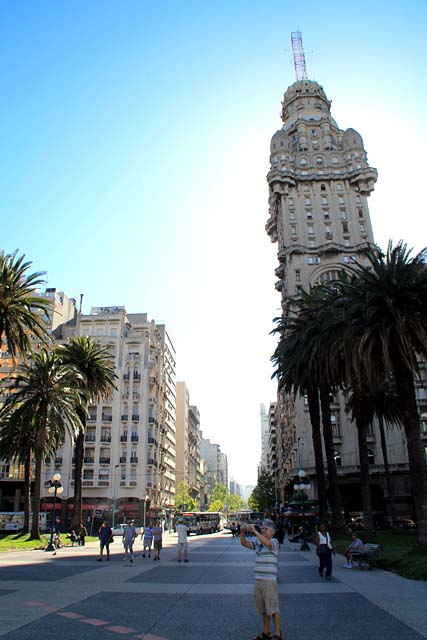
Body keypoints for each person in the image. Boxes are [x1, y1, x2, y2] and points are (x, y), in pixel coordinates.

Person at [240, 518, 283, 640]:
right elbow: (244, 543)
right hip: (258, 579)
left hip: (269, 581)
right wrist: (242, 532)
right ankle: (266, 632)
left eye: (266, 529)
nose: (263, 530)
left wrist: (255, 532)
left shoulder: (274, 542)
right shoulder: (258, 542)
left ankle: (278, 633)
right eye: (262, 528)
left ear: (273, 531)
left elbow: (267, 544)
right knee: (263, 609)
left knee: (273, 608)